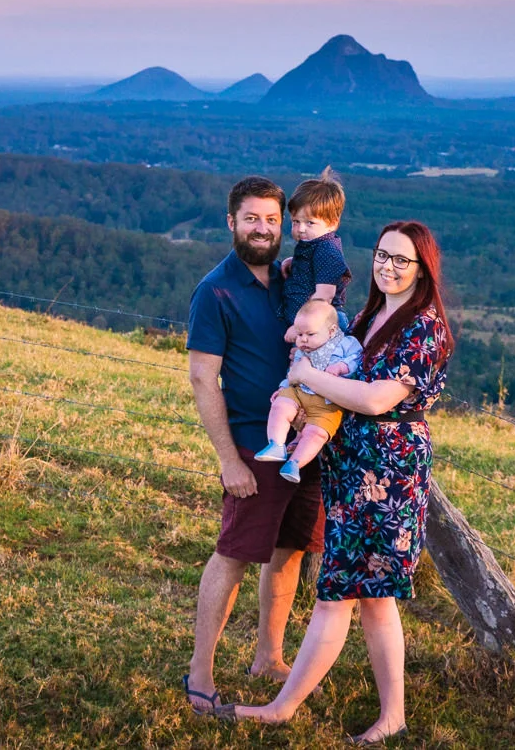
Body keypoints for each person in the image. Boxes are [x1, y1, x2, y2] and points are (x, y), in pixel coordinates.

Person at [225, 221, 453, 744]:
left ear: (423, 268)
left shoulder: (424, 326)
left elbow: (375, 399)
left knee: (340, 594)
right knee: (371, 596)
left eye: (401, 260)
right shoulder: (374, 314)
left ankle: (283, 709)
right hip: (351, 467)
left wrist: (305, 378)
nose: (388, 267)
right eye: (381, 255)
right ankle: (391, 717)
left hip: (388, 476)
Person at [181, 176, 325, 715]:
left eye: (271, 220)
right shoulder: (215, 290)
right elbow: (202, 379)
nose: (263, 229)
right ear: (231, 223)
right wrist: (226, 460)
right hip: (253, 449)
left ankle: (268, 655)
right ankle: (199, 673)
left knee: (288, 551)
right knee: (235, 554)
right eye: (251, 219)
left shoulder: (291, 282)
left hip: (305, 447)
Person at [255, 299, 362, 483]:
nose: (303, 339)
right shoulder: (302, 351)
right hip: (299, 392)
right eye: (299, 334)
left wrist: (342, 367)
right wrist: (283, 386)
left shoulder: (346, 343)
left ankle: (295, 463)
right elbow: (293, 372)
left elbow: (358, 358)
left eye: (310, 334)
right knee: (280, 406)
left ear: (332, 331)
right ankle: (276, 444)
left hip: (329, 403)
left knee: (317, 434)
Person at [281, 169, 352, 329]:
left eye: (310, 223)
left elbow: (324, 297)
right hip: (310, 327)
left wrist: (300, 328)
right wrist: (295, 262)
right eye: (295, 221)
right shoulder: (314, 246)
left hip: (322, 325)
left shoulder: (327, 251)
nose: (301, 229)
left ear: (332, 223)